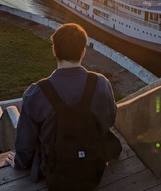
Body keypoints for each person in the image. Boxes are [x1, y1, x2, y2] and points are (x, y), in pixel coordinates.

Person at [6, 23, 117, 189]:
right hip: (94, 166)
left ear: (54, 51)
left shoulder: (36, 93)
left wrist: (20, 162)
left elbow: (26, 141)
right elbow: (110, 120)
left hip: (55, 169)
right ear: (83, 52)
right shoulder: (101, 83)